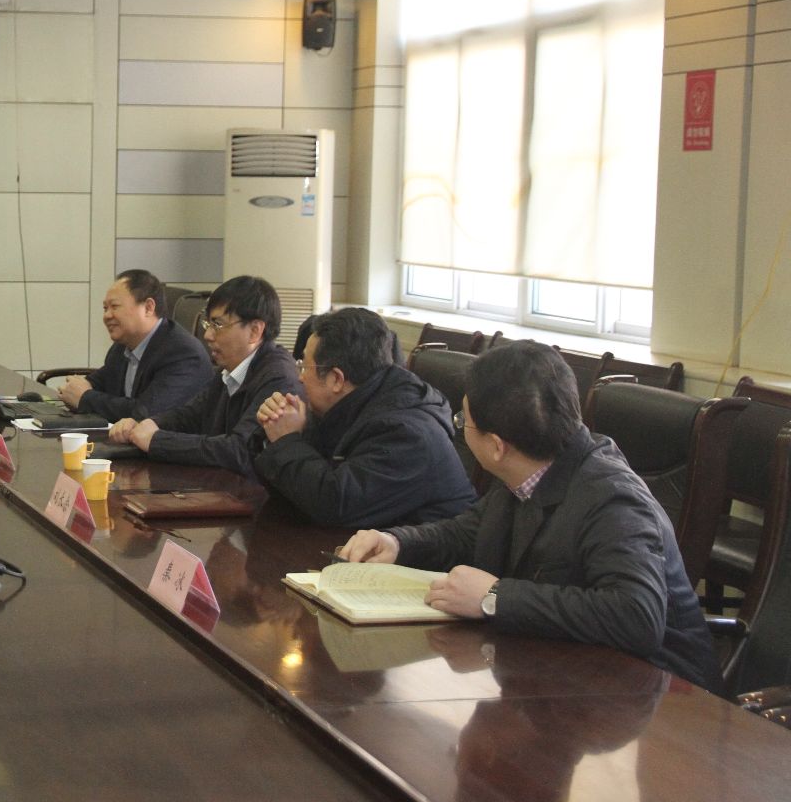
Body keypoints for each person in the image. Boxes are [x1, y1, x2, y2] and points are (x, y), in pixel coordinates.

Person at [339, 341, 721, 692]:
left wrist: (495, 598)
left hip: (662, 698)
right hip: (569, 675)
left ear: (496, 446)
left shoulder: (614, 498)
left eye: (462, 421)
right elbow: (471, 532)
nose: (460, 428)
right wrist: (398, 543)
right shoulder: (532, 465)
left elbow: (636, 617)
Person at [255, 306, 472, 527]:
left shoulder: (405, 432)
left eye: (304, 366)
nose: (300, 378)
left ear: (336, 379)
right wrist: (276, 431)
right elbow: (300, 490)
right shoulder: (353, 405)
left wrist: (287, 441)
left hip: (426, 549)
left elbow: (336, 504)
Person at [108, 275, 299, 476]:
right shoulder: (229, 370)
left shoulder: (278, 379)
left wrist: (156, 441)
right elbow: (191, 415)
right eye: (208, 325)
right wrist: (147, 425)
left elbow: (239, 450)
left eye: (218, 325)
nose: (207, 335)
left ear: (255, 331)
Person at [57, 269, 212, 421]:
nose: (107, 316)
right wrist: (80, 386)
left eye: (114, 306)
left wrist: (86, 398)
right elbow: (102, 380)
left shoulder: (182, 353)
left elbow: (146, 413)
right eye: (105, 308)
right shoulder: (122, 346)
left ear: (148, 307)